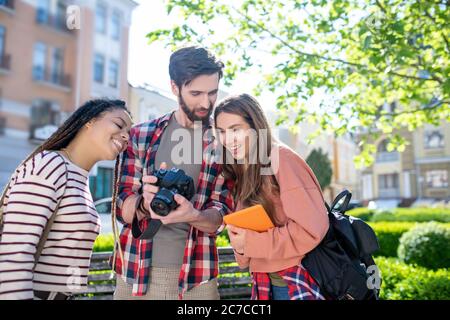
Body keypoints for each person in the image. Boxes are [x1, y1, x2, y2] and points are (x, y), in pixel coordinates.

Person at [112, 46, 234, 300]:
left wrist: (194, 215)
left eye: (213, 93)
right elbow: (121, 204)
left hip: (197, 278)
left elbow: (222, 214)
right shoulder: (141, 135)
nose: (205, 102)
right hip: (134, 272)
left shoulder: (224, 142)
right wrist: (145, 204)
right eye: (196, 93)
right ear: (174, 87)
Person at [0, 99, 132, 300]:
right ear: (90, 121)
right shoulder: (50, 164)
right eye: (119, 125)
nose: (126, 136)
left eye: (129, 132)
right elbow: (15, 253)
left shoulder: (79, 178)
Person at [214, 93, 329, 300]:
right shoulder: (243, 170)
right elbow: (247, 250)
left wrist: (249, 243)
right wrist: (240, 242)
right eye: (221, 132)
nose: (227, 139)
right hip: (264, 283)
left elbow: (311, 230)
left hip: (295, 282)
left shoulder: (281, 158)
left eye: (235, 130)